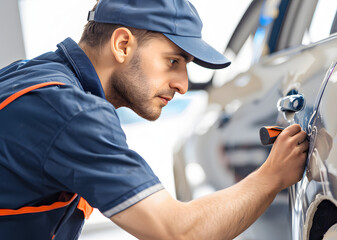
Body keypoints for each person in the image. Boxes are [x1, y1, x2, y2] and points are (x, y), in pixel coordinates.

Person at [0, 0, 309, 239]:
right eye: (172, 61)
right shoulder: (72, 112)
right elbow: (178, 232)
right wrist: (271, 176)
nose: (183, 85)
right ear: (122, 45)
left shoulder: (29, 76)